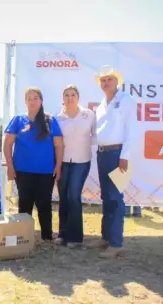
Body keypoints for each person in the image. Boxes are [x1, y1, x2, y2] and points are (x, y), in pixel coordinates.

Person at [86, 65, 138, 258]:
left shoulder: (126, 100)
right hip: (103, 154)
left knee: (116, 198)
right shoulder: (100, 105)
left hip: (118, 155)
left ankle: (116, 243)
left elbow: (132, 130)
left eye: (109, 79)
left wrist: (125, 156)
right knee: (106, 197)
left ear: (117, 81)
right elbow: (98, 133)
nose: (105, 83)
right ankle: (106, 237)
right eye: (103, 80)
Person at [4, 88, 63, 242]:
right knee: (25, 203)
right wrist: (10, 166)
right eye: (29, 98)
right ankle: (24, 237)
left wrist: (58, 165)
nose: (32, 101)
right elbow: (8, 143)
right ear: (25, 102)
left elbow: (59, 145)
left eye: (35, 98)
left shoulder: (50, 120)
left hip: (45, 171)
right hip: (22, 171)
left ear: (41, 101)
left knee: (44, 203)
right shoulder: (18, 120)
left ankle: (47, 236)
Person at [55, 85, 96, 248]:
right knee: (63, 197)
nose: (70, 98)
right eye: (66, 95)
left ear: (78, 98)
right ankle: (62, 234)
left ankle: (75, 237)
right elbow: (56, 142)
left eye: (73, 95)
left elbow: (96, 135)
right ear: (63, 99)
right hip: (62, 162)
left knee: (73, 195)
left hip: (82, 161)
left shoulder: (89, 115)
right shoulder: (57, 119)